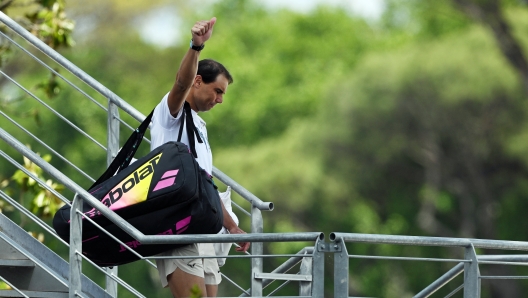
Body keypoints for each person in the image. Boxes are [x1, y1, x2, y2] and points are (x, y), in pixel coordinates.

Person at [149, 17, 250, 298]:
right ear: (198, 82)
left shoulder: (199, 126)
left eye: (223, 94)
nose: (220, 100)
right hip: (178, 225)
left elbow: (204, 183)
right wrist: (196, 46)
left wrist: (231, 227)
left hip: (204, 225)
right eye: (217, 91)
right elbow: (180, 84)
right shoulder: (172, 113)